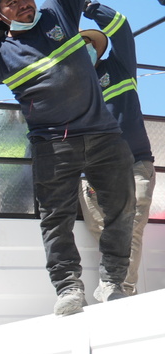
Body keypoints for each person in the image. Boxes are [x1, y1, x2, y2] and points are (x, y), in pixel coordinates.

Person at [0, 0, 137, 315]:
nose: (24, 4)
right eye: (11, 3)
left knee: (121, 209)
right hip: (53, 144)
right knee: (56, 219)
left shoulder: (57, 12)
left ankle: (112, 283)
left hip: (104, 135)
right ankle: (68, 288)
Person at [78, 5, 155, 296]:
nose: (85, 50)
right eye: (78, 47)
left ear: (98, 50)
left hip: (136, 163)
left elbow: (121, 28)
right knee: (107, 233)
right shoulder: (67, 86)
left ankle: (119, 289)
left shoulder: (119, 68)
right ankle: (119, 290)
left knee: (132, 223)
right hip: (94, 174)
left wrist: (89, 7)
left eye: (89, 45)